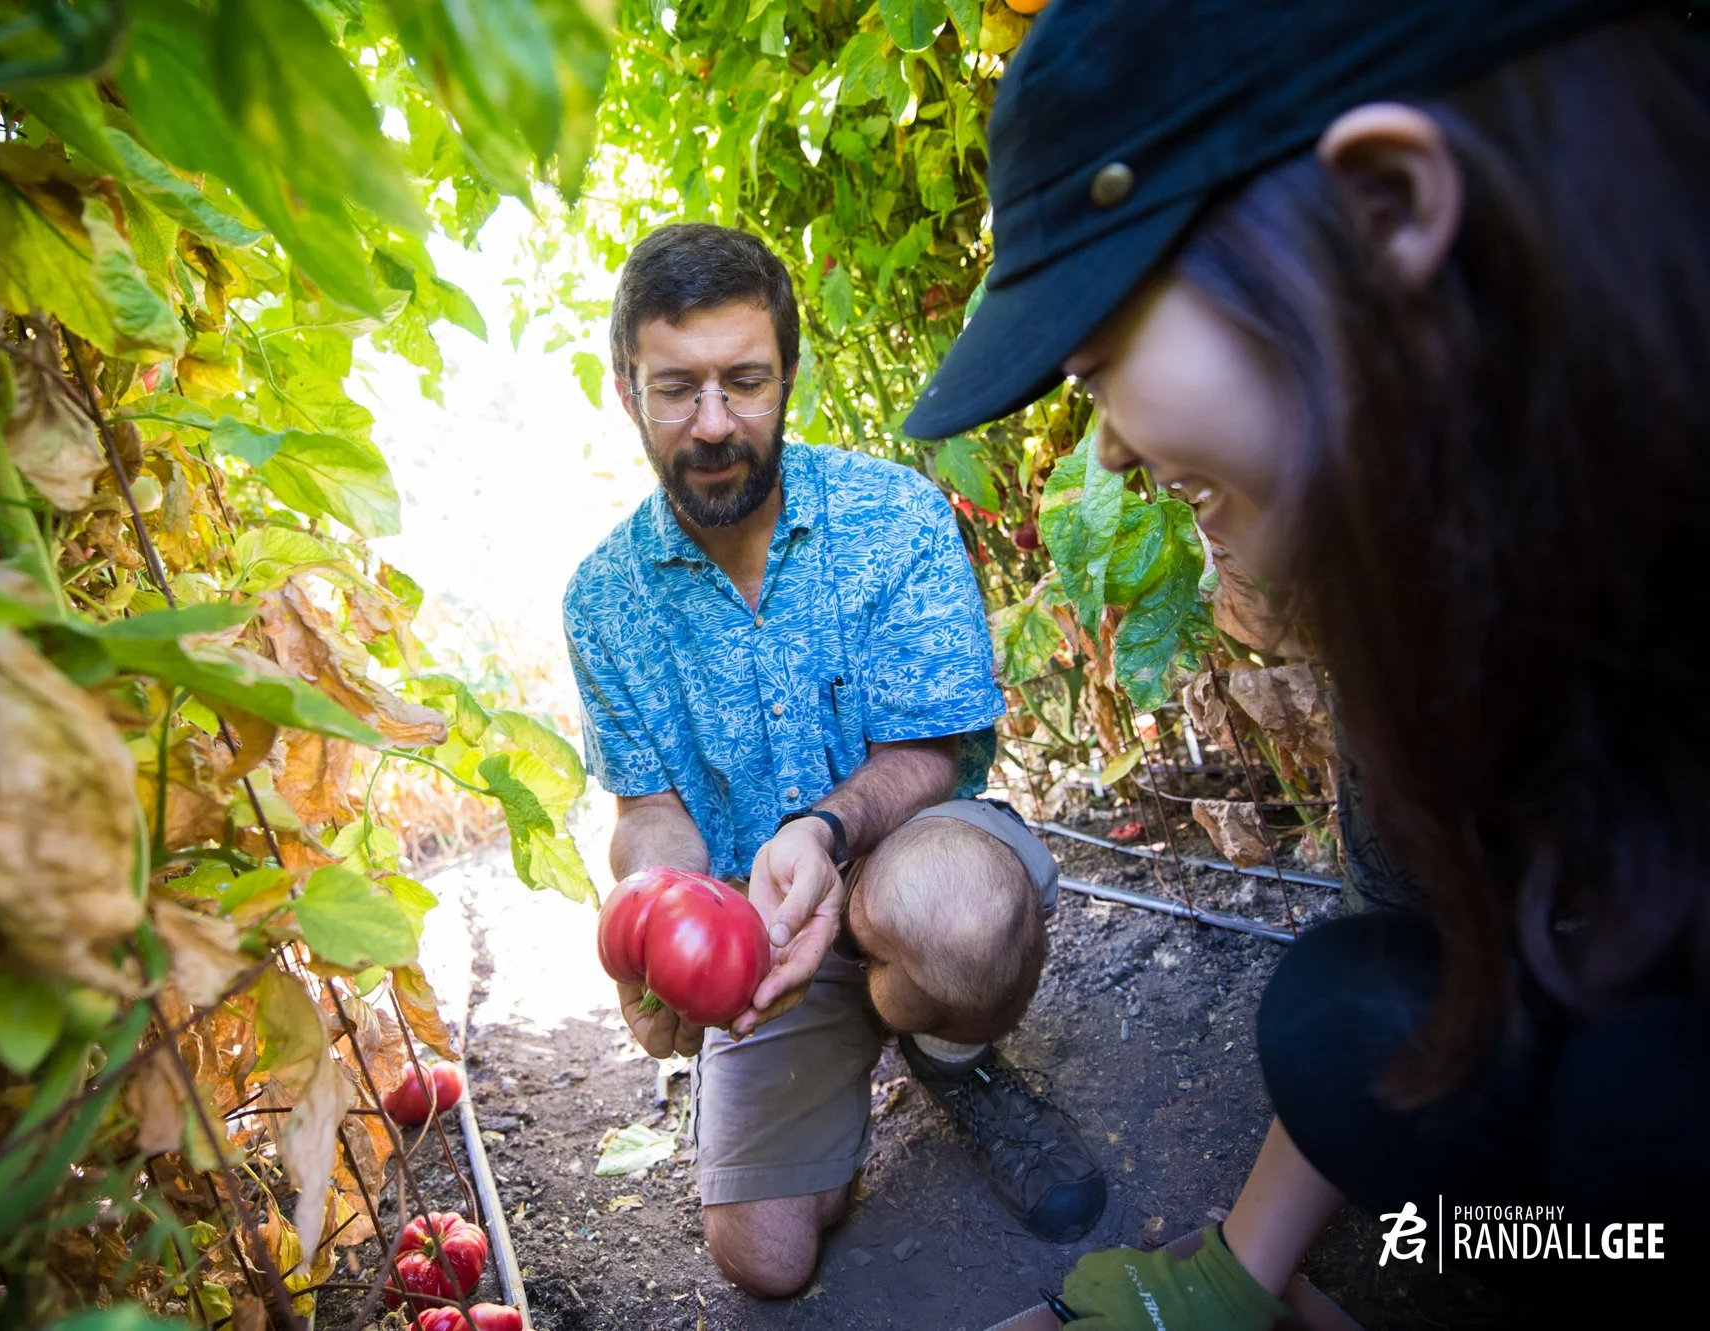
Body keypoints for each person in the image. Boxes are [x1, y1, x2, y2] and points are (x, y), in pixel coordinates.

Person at [903, 0, 1710, 1324]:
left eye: (1099, 363)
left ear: (1389, 205)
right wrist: (1228, 1279)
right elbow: (1437, 929)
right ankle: (1577, 1255)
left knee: (1650, 1108)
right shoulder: (1454, 549)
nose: (1103, 448)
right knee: (1346, 1018)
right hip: (1618, 1194)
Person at [562, 223, 1106, 1298]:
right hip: (758, 934)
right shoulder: (601, 599)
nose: (712, 423)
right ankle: (840, 1068)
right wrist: (659, 909)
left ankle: (946, 1051)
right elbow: (648, 810)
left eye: (744, 382)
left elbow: (936, 748)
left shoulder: (890, 514)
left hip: (903, 859)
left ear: (787, 378)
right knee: (763, 1257)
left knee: (956, 925)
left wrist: (819, 831)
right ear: (627, 392)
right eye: (675, 388)